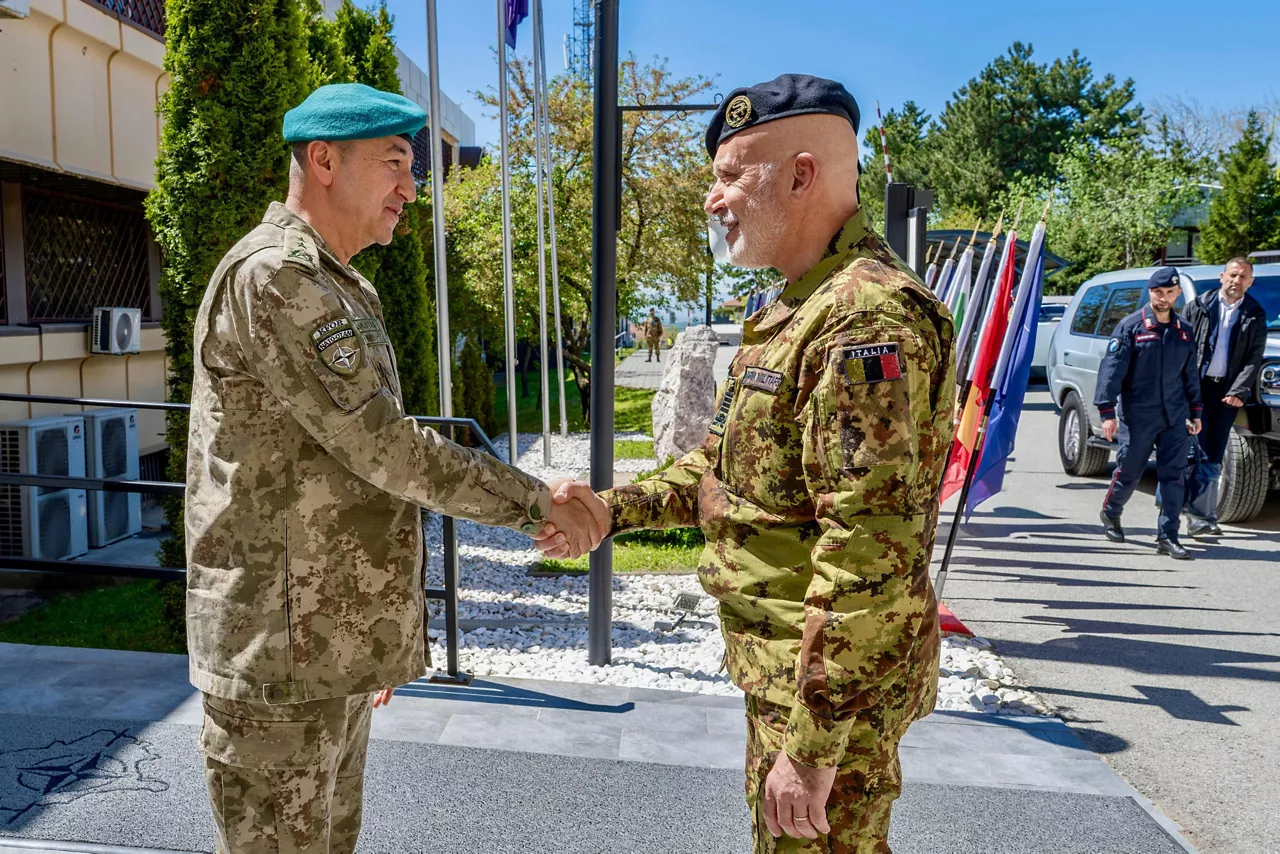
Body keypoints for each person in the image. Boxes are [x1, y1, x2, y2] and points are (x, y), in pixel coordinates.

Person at [185, 83, 608, 854]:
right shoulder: (278, 277)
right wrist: (535, 499)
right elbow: (386, 448)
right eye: (394, 164)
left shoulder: (339, 282)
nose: (411, 189)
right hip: (280, 659)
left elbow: (353, 476)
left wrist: (368, 633)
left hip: (320, 648)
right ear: (322, 160)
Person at [568, 74, 955, 853]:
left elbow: (868, 552)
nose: (713, 200)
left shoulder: (863, 320)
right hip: (790, 673)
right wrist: (613, 510)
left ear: (802, 176)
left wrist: (811, 751)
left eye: (729, 176)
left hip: (827, 694)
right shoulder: (796, 307)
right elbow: (724, 470)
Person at [1095, 267, 1203, 559]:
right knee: (1129, 472)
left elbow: (1190, 375)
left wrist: (1196, 411)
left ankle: (1168, 536)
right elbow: (1111, 372)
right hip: (1138, 415)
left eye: (1169, 293)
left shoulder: (1184, 331)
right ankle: (1111, 512)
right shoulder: (1132, 327)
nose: (1163, 298)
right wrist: (1107, 412)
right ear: (1150, 292)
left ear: (1178, 294)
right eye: (1158, 292)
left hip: (1175, 416)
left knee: (1174, 476)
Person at [1180, 257, 1268, 536]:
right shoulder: (1198, 307)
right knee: (1193, 451)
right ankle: (1185, 512)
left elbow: (1254, 358)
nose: (1236, 281)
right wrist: (1182, 390)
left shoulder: (1255, 313)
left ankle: (1203, 516)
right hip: (1196, 389)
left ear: (1250, 282)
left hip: (1227, 394)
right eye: (1232, 275)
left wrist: (1239, 390)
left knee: (1214, 454)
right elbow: (1179, 351)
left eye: (1243, 277)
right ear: (1222, 276)